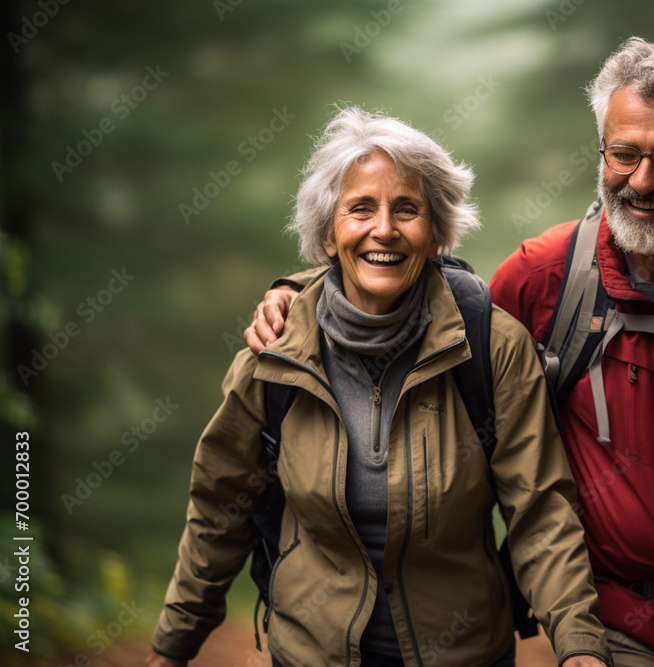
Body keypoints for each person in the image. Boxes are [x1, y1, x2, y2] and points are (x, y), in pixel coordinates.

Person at [247, 39, 654, 667]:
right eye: (622, 154)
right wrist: (304, 289)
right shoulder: (547, 278)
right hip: (610, 620)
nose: (641, 180)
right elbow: (425, 297)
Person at [147, 107, 611, 667]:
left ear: (438, 231)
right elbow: (219, 512)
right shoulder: (272, 356)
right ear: (326, 231)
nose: (384, 229)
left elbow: (541, 511)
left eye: (408, 209)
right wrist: (172, 648)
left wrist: (579, 646)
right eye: (360, 208)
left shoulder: (492, 347)